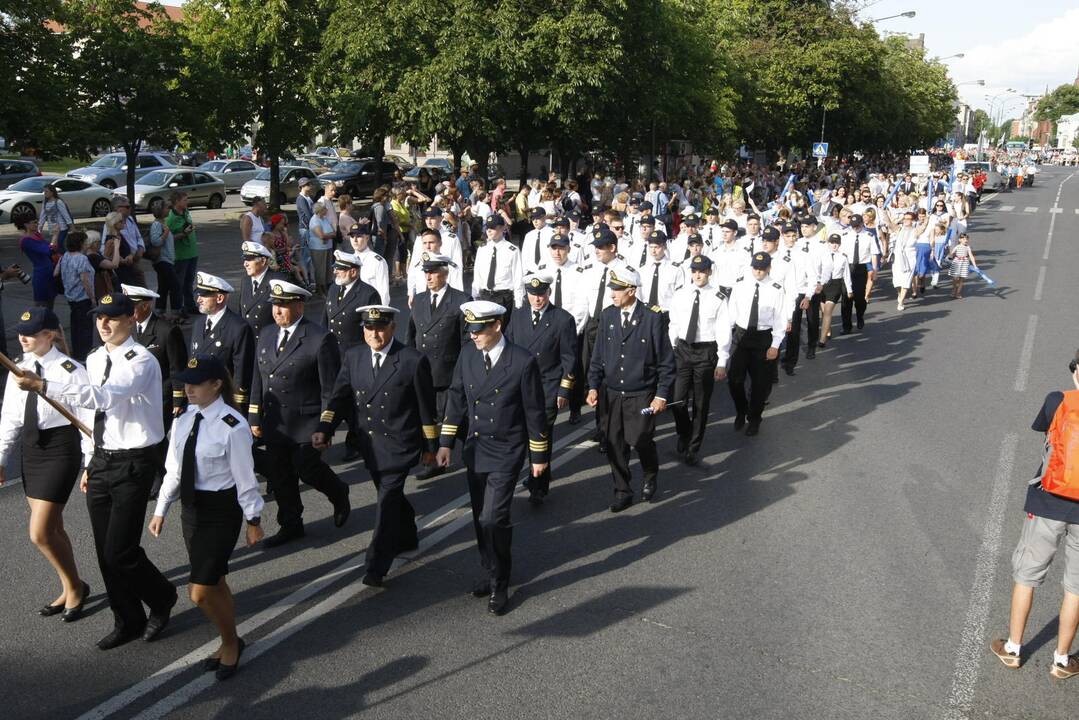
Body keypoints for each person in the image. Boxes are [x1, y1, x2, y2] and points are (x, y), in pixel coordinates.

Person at [22, 292, 177, 649]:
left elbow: (104, 398)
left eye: (112, 317)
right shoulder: (93, 358)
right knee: (103, 550)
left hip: (135, 461)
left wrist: (44, 385)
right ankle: (128, 619)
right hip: (104, 458)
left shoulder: (141, 360)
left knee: (120, 551)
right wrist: (90, 459)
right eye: (99, 318)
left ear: (131, 319)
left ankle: (163, 596)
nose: (104, 324)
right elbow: (91, 418)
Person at [149, 355, 264, 681]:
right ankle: (231, 638)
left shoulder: (233, 425)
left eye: (196, 383)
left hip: (220, 512)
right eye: (185, 382)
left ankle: (230, 642)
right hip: (191, 510)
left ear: (216, 384)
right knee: (216, 582)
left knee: (198, 592)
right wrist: (161, 509)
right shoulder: (183, 420)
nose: (188, 389)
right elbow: (174, 470)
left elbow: (245, 478)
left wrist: (253, 520)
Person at [435, 300, 549, 615]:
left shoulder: (522, 362)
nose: (473, 336)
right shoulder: (469, 354)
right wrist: (446, 442)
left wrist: (538, 455)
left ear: (497, 326)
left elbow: (534, 411)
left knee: (492, 517)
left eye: (479, 330)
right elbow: (456, 396)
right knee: (479, 517)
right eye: (470, 330)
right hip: (475, 448)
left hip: (506, 449)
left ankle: (501, 580)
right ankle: (489, 568)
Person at [315, 305, 437, 586]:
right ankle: (407, 535)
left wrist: (431, 446)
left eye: (381, 328)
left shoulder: (411, 360)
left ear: (393, 327)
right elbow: (339, 397)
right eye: (369, 328)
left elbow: (426, 409)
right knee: (390, 497)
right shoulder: (354, 355)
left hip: (398, 446)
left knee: (385, 504)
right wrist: (325, 428)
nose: (375, 334)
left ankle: (376, 564)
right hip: (368, 444)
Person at [0, 308, 94, 623]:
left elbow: (87, 417)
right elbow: (10, 418)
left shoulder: (70, 369)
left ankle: (76, 587)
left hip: (60, 449)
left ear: (50, 334)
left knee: (39, 533)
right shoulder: (19, 369)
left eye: (32, 332)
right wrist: (1, 458)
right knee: (54, 529)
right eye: (21, 332)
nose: (23, 338)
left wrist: (89, 462)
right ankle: (70, 585)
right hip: (32, 450)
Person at [990, 351, 1079, 679]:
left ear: (1075, 370)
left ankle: (1013, 648)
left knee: (1027, 574)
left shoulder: (1058, 400)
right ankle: (1062, 659)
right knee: (1076, 586)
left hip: (1048, 502)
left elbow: (1045, 434)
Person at [249, 279, 351, 548]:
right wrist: (254, 418)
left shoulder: (319, 338)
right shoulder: (267, 334)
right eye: (275, 306)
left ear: (299, 305)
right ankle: (290, 524)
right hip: (276, 422)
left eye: (283, 306)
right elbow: (258, 379)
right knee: (280, 475)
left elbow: (331, 390)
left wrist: (325, 427)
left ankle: (338, 491)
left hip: (306, 423)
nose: (277, 311)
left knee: (308, 469)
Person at [586, 265, 676, 510]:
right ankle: (622, 491)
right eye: (611, 288)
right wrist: (593, 386)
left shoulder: (652, 318)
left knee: (640, 439)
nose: (612, 293)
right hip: (612, 393)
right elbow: (598, 355)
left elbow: (666, 362)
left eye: (618, 289)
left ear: (632, 291)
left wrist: (661, 395)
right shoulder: (607, 316)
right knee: (614, 443)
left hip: (642, 394)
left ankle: (650, 472)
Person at [504, 273, 577, 504]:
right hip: (520, 388)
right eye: (533, 294)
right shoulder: (518, 316)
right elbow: (508, 348)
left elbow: (569, 358)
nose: (537, 299)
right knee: (522, 434)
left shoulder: (562, 319)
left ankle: (539, 485)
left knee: (541, 434)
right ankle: (536, 471)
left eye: (541, 294)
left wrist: (564, 390)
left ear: (549, 293)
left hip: (547, 387)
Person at [406, 253, 470, 479]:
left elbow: (467, 343)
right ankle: (433, 459)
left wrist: (465, 372)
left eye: (433, 272)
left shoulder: (461, 300)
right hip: (424, 372)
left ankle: (474, 448)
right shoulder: (420, 299)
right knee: (428, 419)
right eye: (426, 272)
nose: (429, 276)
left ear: (445, 273)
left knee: (453, 417)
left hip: (449, 372)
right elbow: (411, 337)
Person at [668, 255, 731, 465]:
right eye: (694, 271)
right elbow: (674, 322)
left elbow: (723, 329)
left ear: (709, 272)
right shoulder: (680, 294)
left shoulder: (719, 297)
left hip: (706, 351)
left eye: (702, 271)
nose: (697, 275)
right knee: (677, 401)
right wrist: (672, 346)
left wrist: (722, 360)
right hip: (683, 350)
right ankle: (684, 433)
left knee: (701, 404)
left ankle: (693, 447)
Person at [721, 253, 788, 436]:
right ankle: (741, 410)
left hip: (763, 338)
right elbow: (731, 313)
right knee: (734, 379)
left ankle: (755, 418)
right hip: (741, 336)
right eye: (755, 267)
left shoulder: (776, 289)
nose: (758, 271)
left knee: (760, 384)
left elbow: (780, 319)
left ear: (768, 268)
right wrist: (725, 339)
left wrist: (775, 345)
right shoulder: (741, 284)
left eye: (762, 268)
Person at [190, 273, 255, 415]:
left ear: (219, 298)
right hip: (199, 399)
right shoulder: (199, 324)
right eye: (199, 295)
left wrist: (238, 405)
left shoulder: (238, 327)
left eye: (204, 295)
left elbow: (242, 371)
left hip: (222, 401)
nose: (199, 299)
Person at [470, 214, 523, 321]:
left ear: (503, 228)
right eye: (487, 228)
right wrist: (475, 292)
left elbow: (518, 277)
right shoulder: (482, 248)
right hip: (485, 295)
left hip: (503, 296)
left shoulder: (512, 250)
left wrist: (519, 301)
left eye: (493, 228)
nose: (489, 231)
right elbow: (478, 272)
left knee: (501, 329)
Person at [57, 231, 96, 361]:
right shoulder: (81, 258)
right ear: (80, 244)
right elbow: (85, 280)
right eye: (85, 242)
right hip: (82, 297)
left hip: (70, 297)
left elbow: (55, 272)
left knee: (75, 327)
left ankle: (77, 353)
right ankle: (85, 355)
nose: (86, 245)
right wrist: (92, 298)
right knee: (85, 328)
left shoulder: (65, 256)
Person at [237, 241, 286, 340]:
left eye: (249, 259)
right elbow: (241, 312)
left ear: (263, 261)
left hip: (269, 340)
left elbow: (285, 317)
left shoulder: (278, 281)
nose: (245, 264)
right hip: (248, 340)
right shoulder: (245, 281)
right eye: (244, 259)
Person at [838, 214, 877, 333]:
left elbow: (874, 253)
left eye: (857, 225)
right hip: (847, 267)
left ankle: (860, 316)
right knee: (846, 298)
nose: (855, 228)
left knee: (860, 299)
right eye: (853, 226)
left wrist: (874, 270)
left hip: (861, 267)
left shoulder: (869, 236)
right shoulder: (844, 235)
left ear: (862, 224)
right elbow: (839, 252)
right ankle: (846, 326)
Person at [814, 235, 853, 349]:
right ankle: (828, 329)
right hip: (823, 284)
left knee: (827, 311)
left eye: (836, 243)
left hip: (835, 285)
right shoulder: (822, 256)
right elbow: (817, 270)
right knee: (822, 310)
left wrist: (849, 289)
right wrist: (817, 284)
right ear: (828, 243)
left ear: (840, 244)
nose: (834, 245)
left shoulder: (843, 257)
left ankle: (822, 340)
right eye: (832, 242)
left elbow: (846, 274)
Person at [167, 191, 199, 321]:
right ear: (177, 202)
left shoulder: (186, 212)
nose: (187, 202)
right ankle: (178, 308)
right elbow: (168, 238)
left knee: (189, 282)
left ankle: (190, 305)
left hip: (192, 253)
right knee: (179, 283)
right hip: (180, 256)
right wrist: (183, 234)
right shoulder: (170, 218)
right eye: (185, 200)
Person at [147, 202, 180, 318]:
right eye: (167, 208)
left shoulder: (163, 223)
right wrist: (165, 233)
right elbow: (156, 241)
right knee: (175, 286)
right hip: (162, 260)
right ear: (160, 210)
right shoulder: (157, 225)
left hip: (168, 259)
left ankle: (160, 310)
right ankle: (176, 312)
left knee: (164, 286)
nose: (169, 210)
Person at [345, 223, 390, 304]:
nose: (355, 240)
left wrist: (381, 313)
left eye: (359, 236)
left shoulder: (377, 261)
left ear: (367, 238)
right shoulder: (348, 261)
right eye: (352, 236)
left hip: (370, 307)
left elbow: (384, 291)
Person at [18, 216, 56, 311]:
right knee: (42, 309)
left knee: (50, 306)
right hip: (41, 275)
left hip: (49, 272)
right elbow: (47, 250)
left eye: (37, 222)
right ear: (26, 224)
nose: (37, 224)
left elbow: (53, 249)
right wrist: (55, 235)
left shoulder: (37, 235)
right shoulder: (26, 240)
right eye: (34, 222)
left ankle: (50, 325)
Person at [308, 202, 335, 295]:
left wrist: (328, 236)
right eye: (325, 209)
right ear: (320, 210)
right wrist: (328, 235)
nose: (327, 210)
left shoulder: (325, 219)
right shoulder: (314, 220)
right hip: (318, 248)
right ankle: (320, 290)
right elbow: (321, 236)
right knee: (320, 269)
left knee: (328, 268)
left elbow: (334, 233)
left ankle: (326, 288)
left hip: (328, 246)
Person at [948, 232, 976, 299]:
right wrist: (950, 256)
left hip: (964, 263)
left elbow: (971, 256)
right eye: (963, 239)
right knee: (955, 278)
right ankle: (954, 289)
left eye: (966, 239)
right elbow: (951, 253)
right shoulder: (957, 246)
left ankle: (958, 293)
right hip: (957, 262)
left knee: (961, 279)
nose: (965, 240)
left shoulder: (968, 247)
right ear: (959, 240)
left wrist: (974, 265)